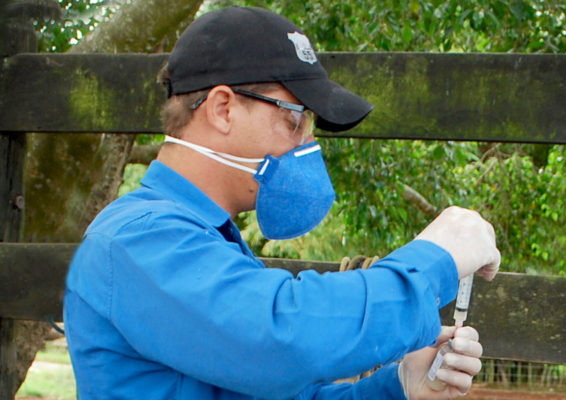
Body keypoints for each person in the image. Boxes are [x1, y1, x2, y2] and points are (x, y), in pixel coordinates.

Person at [63, 6, 501, 400]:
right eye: (294, 119)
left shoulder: (211, 243)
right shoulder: (135, 239)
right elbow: (280, 339)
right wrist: (433, 261)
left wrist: (401, 386)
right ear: (222, 109)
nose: (306, 144)